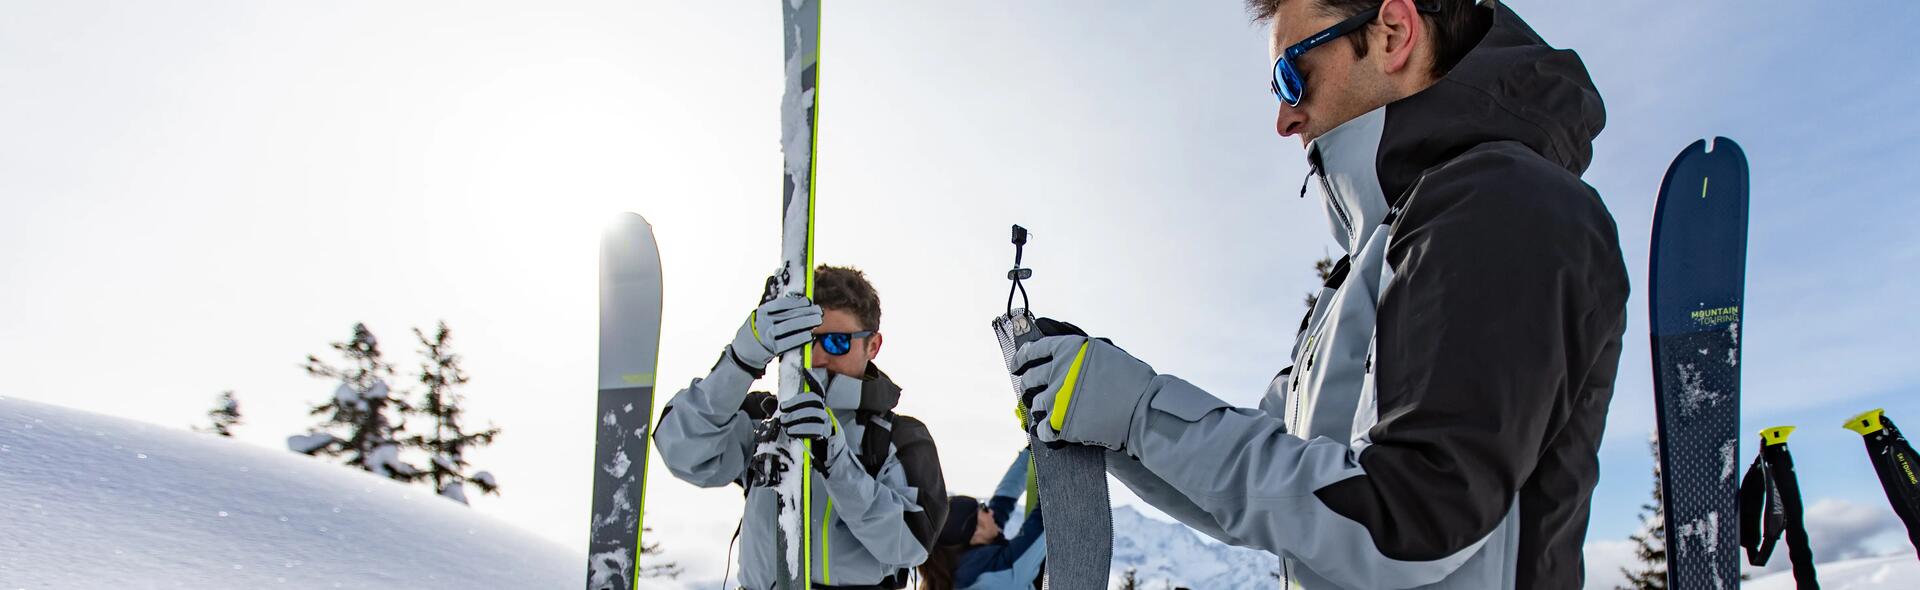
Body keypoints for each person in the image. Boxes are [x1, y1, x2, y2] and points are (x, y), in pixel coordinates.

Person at [1009, 1, 1627, 588]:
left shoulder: (1500, 204)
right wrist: (1110, 418)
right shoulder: (1375, 261)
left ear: (1392, 33)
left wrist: (1140, 411)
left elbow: (1411, 519)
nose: (1283, 117)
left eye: (1292, 74)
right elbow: (1261, 496)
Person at [655, 265, 948, 589]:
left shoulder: (899, 437)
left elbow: (908, 545)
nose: (819, 356)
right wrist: (742, 359)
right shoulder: (765, 416)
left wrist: (838, 464)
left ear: (873, 345)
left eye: (837, 342)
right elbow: (682, 451)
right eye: (808, 341)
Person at [917, 449, 1045, 590]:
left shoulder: (965, 558)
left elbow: (1004, 499)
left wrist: (1031, 450)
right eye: (983, 508)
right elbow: (1044, 521)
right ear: (975, 532)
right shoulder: (993, 573)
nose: (990, 511)